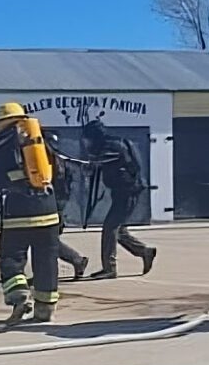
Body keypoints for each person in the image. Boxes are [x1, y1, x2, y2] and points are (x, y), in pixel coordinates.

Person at [0, 102, 61, 327]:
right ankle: (45, 309)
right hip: (49, 210)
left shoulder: (4, 144)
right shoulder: (42, 139)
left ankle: (19, 298)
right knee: (46, 260)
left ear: (2, 123)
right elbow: (59, 172)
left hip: (18, 212)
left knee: (11, 256)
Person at [82, 120, 157, 279]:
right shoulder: (112, 144)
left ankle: (109, 268)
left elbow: (99, 162)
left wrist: (88, 163)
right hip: (123, 192)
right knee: (119, 231)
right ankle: (144, 252)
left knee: (110, 228)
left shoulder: (111, 147)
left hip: (127, 192)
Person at [45, 131, 89, 280]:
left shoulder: (51, 160)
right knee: (47, 240)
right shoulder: (60, 159)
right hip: (58, 203)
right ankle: (47, 273)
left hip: (51, 204)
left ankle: (77, 260)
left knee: (47, 240)